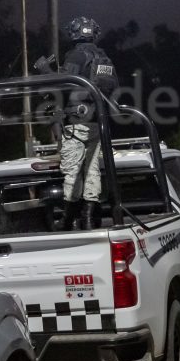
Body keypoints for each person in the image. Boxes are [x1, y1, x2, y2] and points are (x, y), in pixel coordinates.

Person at [34, 16, 119, 230]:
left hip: (76, 123)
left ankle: (67, 218)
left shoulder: (76, 55)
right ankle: (90, 218)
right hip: (97, 123)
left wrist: (45, 69)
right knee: (92, 170)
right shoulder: (103, 57)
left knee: (72, 171)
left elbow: (62, 84)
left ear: (74, 33)